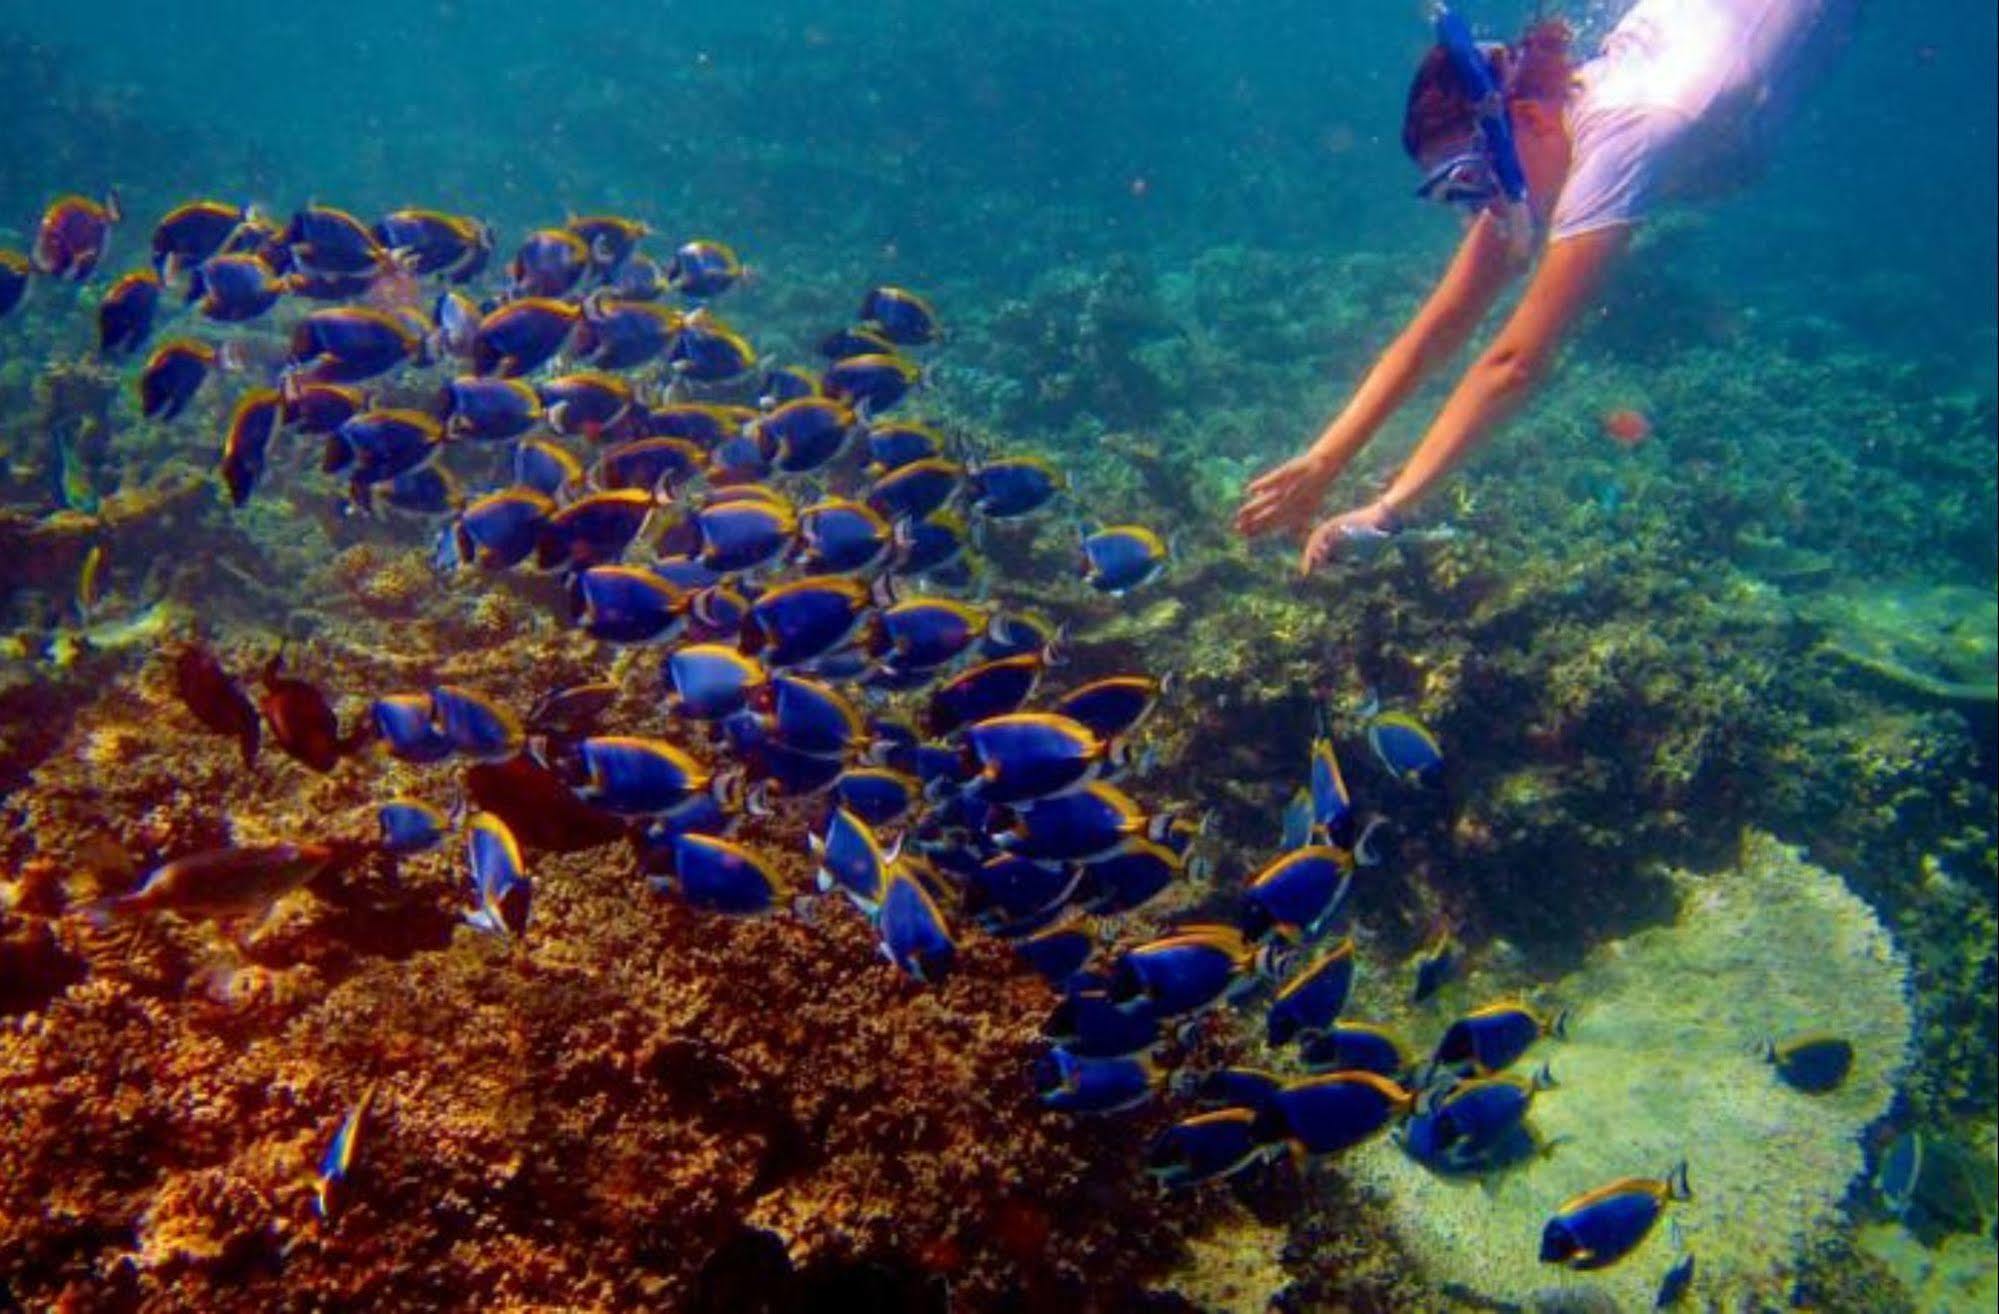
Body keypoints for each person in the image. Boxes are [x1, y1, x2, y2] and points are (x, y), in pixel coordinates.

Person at [1235, 0, 1855, 574]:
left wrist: (1388, 511)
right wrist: (1326, 459)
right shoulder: (1551, 122)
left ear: (1525, 118)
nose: (1479, 206)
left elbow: (1516, 362)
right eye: (1456, 192)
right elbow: (1443, 321)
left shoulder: (1628, 131)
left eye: (1475, 178)